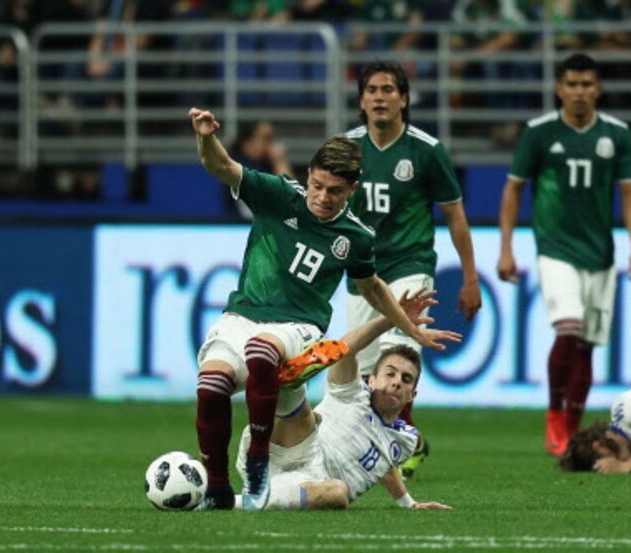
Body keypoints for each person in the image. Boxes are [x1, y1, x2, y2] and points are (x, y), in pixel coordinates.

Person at [187, 107, 456, 511]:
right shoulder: (278, 194)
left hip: (298, 328)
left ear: (351, 190)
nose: (322, 197)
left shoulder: (357, 237)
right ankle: (219, 488)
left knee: (264, 351)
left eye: (334, 191)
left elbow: (371, 287)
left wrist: (410, 329)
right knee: (211, 383)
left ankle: (258, 462)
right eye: (316, 185)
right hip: (241, 316)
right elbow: (220, 165)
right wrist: (206, 136)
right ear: (308, 176)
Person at [497, 52, 631, 457]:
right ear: (559, 89)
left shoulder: (617, 134)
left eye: (587, 84)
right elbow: (513, 189)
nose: (580, 92)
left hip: (599, 253)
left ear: (598, 88)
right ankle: (554, 411)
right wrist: (506, 248)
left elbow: (630, 192)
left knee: (587, 345)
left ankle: (573, 428)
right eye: (572, 84)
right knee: (569, 328)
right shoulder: (539, 132)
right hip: (555, 248)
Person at [344, 60, 482, 478]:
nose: (380, 97)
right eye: (372, 90)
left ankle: (399, 447)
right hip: (362, 274)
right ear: (362, 101)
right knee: (367, 375)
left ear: (404, 99)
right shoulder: (345, 149)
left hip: (411, 266)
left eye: (389, 90)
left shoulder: (426, 150)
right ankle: (392, 445)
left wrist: (471, 277)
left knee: (399, 360)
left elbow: (455, 215)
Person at [233, 288, 458, 510]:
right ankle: (279, 376)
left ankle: (234, 500)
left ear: (412, 395)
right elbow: (344, 351)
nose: (397, 381)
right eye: (390, 373)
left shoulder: (406, 440)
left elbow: (384, 463)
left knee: (338, 493)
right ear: (371, 380)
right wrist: (391, 319)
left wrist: (409, 503)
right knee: (305, 415)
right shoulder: (352, 393)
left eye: (406, 379)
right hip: (286, 448)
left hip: (312, 484)